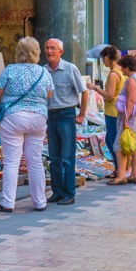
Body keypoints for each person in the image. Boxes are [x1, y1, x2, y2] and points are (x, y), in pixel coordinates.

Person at [0, 37, 54, 212]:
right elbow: (49, 94)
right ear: (37, 52)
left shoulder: (11, 70)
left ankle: (7, 202)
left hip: (13, 117)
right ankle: (40, 201)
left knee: (11, 161)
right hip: (38, 118)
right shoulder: (43, 72)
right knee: (35, 161)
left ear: (18, 52)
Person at [44, 38, 89, 206]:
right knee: (54, 158)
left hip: (66, 115)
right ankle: (57, 192)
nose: (49, 51)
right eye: (47, 48)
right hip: (50, 116)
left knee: (67, 158)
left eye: (53, 48)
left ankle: (69, 193)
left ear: (61, 52)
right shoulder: (43, 71)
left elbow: (84, 92)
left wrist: (82, 115)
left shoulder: (70, 69)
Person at [106, 54, 136, 186]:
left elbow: (131, 100)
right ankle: (134, 175)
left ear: (127, 67)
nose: (121, 69)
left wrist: (126, 118)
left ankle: (121, 176)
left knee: (119, 145)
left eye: (122, 67)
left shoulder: (131, 80)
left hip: (131, 117)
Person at [86, 46, 126, 179]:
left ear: (108, 58)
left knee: (112, 141)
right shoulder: (120, 71)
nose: (103, 61)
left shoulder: (113, 74)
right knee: (113, 140)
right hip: (116, 110)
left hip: (113, 110)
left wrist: (95, 88)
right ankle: (119, 168)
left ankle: (119, 169)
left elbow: (109, 95)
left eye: (103, 58)